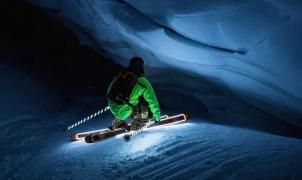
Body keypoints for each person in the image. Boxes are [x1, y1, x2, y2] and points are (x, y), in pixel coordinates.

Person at [107, 57, 161, 131]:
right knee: (146, 106)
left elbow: (110, 89)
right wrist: (157, 117)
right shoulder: (143, 81)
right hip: (125, 109)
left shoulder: (122, 74)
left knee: (132, 100)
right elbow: (153, 101)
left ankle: (117, 122)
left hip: (113, 106)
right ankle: (134, 127)